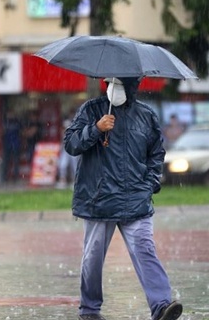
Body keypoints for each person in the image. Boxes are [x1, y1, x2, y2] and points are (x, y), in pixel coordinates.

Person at [63, 77, 183, 320]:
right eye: (110, 83)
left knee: (145, 250)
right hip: (99, 200)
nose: (113, 89)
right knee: (93, 257)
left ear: (132, 86)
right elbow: (71, 144)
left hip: (136, 200)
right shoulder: (91, 110)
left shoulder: (146, 116)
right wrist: (96, 129)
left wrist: (149, 185)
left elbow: (156, 153)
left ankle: (161, 305)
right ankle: (89, 308)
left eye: (119, 84)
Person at [56, 112, 79, 189]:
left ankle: (75, 182)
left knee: (75, 167)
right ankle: (63, 181)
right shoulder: (62, 134)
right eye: (64, 127)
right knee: (62, 165)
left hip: (73, 151)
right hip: (65, 151)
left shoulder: (74, 133)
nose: (65, 129)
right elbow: (61, 144)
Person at [2, 111, 22, 182]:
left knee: (14, 161)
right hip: (9, 144)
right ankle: (6, 176)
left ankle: (13, 176)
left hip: (13, 144)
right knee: (8, 161)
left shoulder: (15, 123)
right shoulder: (7, 123)